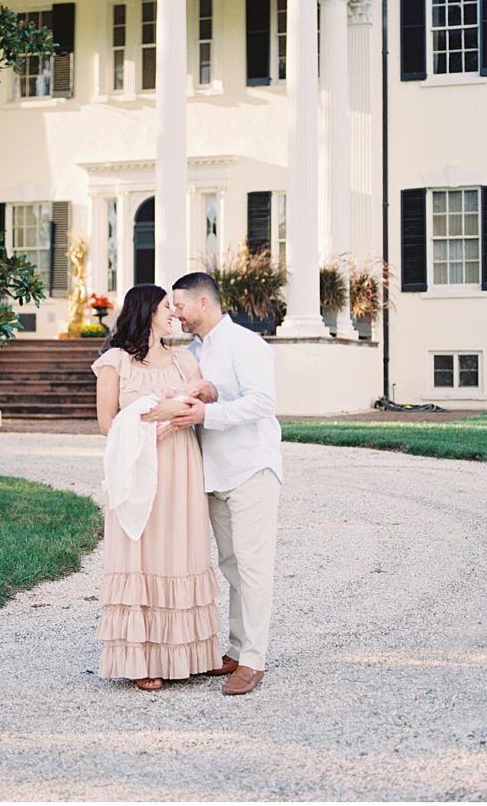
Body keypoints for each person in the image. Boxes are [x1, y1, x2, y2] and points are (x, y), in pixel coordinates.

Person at [141, 272, 282, 696]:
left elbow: (262, 403)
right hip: (214, 474)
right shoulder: (195, 352)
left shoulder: (247, 344)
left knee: (254, 569)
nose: (175, 313)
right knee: (231, 567)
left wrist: (207, 413)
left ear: (203, 303)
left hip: (251, 470)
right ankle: (237, 649)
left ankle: (253, 661)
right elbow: (212, 396)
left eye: (179, 305)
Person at [91, 283, 223, 691]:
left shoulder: (185, 359)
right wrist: (154, 413)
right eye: (168, 307)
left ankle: (186, 653)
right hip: (138, 463)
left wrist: (198, 396)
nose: (175, 314)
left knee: (179, 551)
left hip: (180, 464)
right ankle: (142, 658)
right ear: (147, 310)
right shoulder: (115, 362)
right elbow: (107, 423)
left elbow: (205, 398)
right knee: (142, 553)